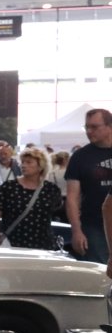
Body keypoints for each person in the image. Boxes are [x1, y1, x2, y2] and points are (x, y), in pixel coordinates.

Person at [64, 107, 112, 264]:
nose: (89, 131)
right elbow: (72, 197)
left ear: (109, 126)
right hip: (94, 226)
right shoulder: (80, 157)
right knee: (100, 271)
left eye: (95, 127)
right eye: (87, 127)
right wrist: (76, 230)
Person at [0, 147, 61, 250]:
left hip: (43, 246)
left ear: (40, 166)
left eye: (29, 162)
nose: (23, 165)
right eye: (22, 162)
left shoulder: (51, 189)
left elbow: (56, 213)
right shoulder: (9, 187)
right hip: (13, 246)